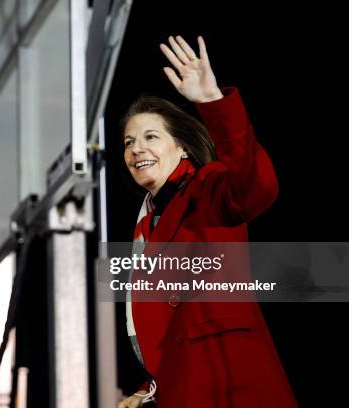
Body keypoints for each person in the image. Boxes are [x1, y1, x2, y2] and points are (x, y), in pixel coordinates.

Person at [117, 36, 296, 408]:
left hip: (233, 386)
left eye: (151, 137)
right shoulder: (144, 225)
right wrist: (150, 388)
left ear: (181, 146)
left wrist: (212, 102)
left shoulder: (207, 188)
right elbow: (164, 332)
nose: (136, 149)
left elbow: (256, 188)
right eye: (129, 141)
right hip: (185, 388)